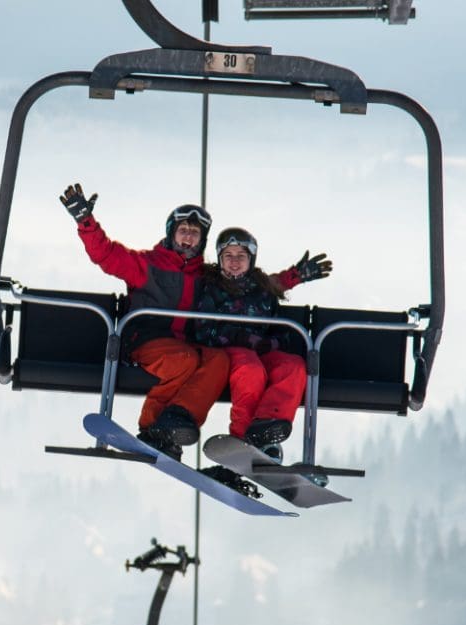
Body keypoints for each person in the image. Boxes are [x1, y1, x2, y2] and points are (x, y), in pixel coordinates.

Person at [60, 182, 229, 460]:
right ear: (171, 234)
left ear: (202, 240)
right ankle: (152, 427)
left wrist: (292, 277)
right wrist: (85, 221)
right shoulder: (148, 265)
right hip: (146, 341)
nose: (188, 238)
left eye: (194, 233)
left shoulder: (206, 276)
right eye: (183, 231)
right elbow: (106, 255)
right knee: (184, 360)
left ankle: (175, 422)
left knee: (219, 360)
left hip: (184, 345)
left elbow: (247, 281)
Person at [192, 226, 333, 459]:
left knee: (293, 366)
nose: (234, 262)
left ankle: (265, 429)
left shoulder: (263, 290)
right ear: (219, 259)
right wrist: (244, 338)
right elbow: (203, 330)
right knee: (251, 369)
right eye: (228, 256)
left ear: (251, 259)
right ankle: (241, 437)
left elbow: (278, 327)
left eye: (241, 256)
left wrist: (271, 344)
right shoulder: (211, 288)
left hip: (259, 353)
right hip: (225, 354)